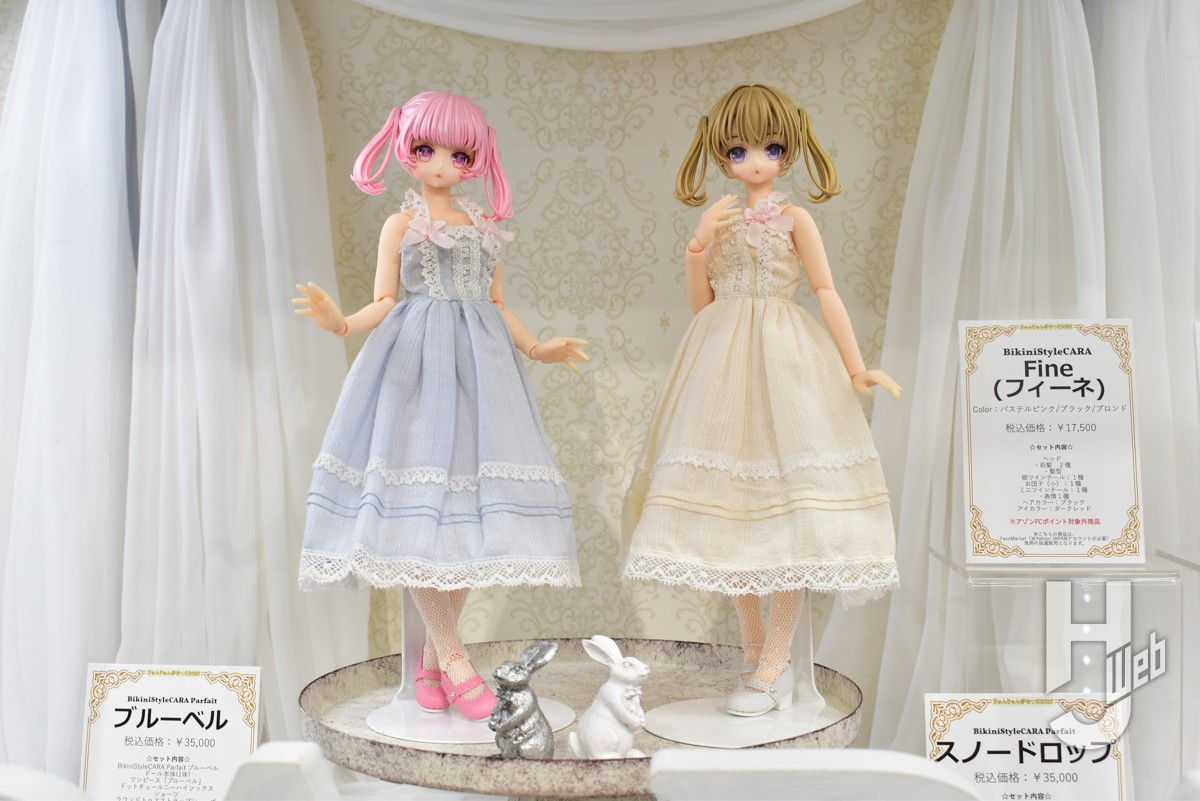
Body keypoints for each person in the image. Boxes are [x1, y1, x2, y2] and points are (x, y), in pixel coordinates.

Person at [294, 92, 587, 721]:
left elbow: (498, 303)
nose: (440, 163)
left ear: (474, 159)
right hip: (414, 367)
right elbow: (383, 301)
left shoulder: (484, 228)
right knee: (419, 513)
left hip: (483, 371)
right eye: (426, 149)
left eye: (457, 154)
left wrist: (538, 347)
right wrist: (340, 323)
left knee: (467, 518)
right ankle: (455, 659)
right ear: (406, 150)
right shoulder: (400, 225)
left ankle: (431, 661)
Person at [621, 84, 900, 717]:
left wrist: (856, 366)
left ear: (788, 151)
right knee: (731, 519)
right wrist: (697, 246)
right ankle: (756, 654)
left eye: (770, 148)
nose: (755, 161)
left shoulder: (796, 219)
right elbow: (702, 304)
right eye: (738, 150)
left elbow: (825, 291)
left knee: (790, 515)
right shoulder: (718, 219)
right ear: (721, 155)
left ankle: (776, 661)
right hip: (720, 368)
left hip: (786, 363)